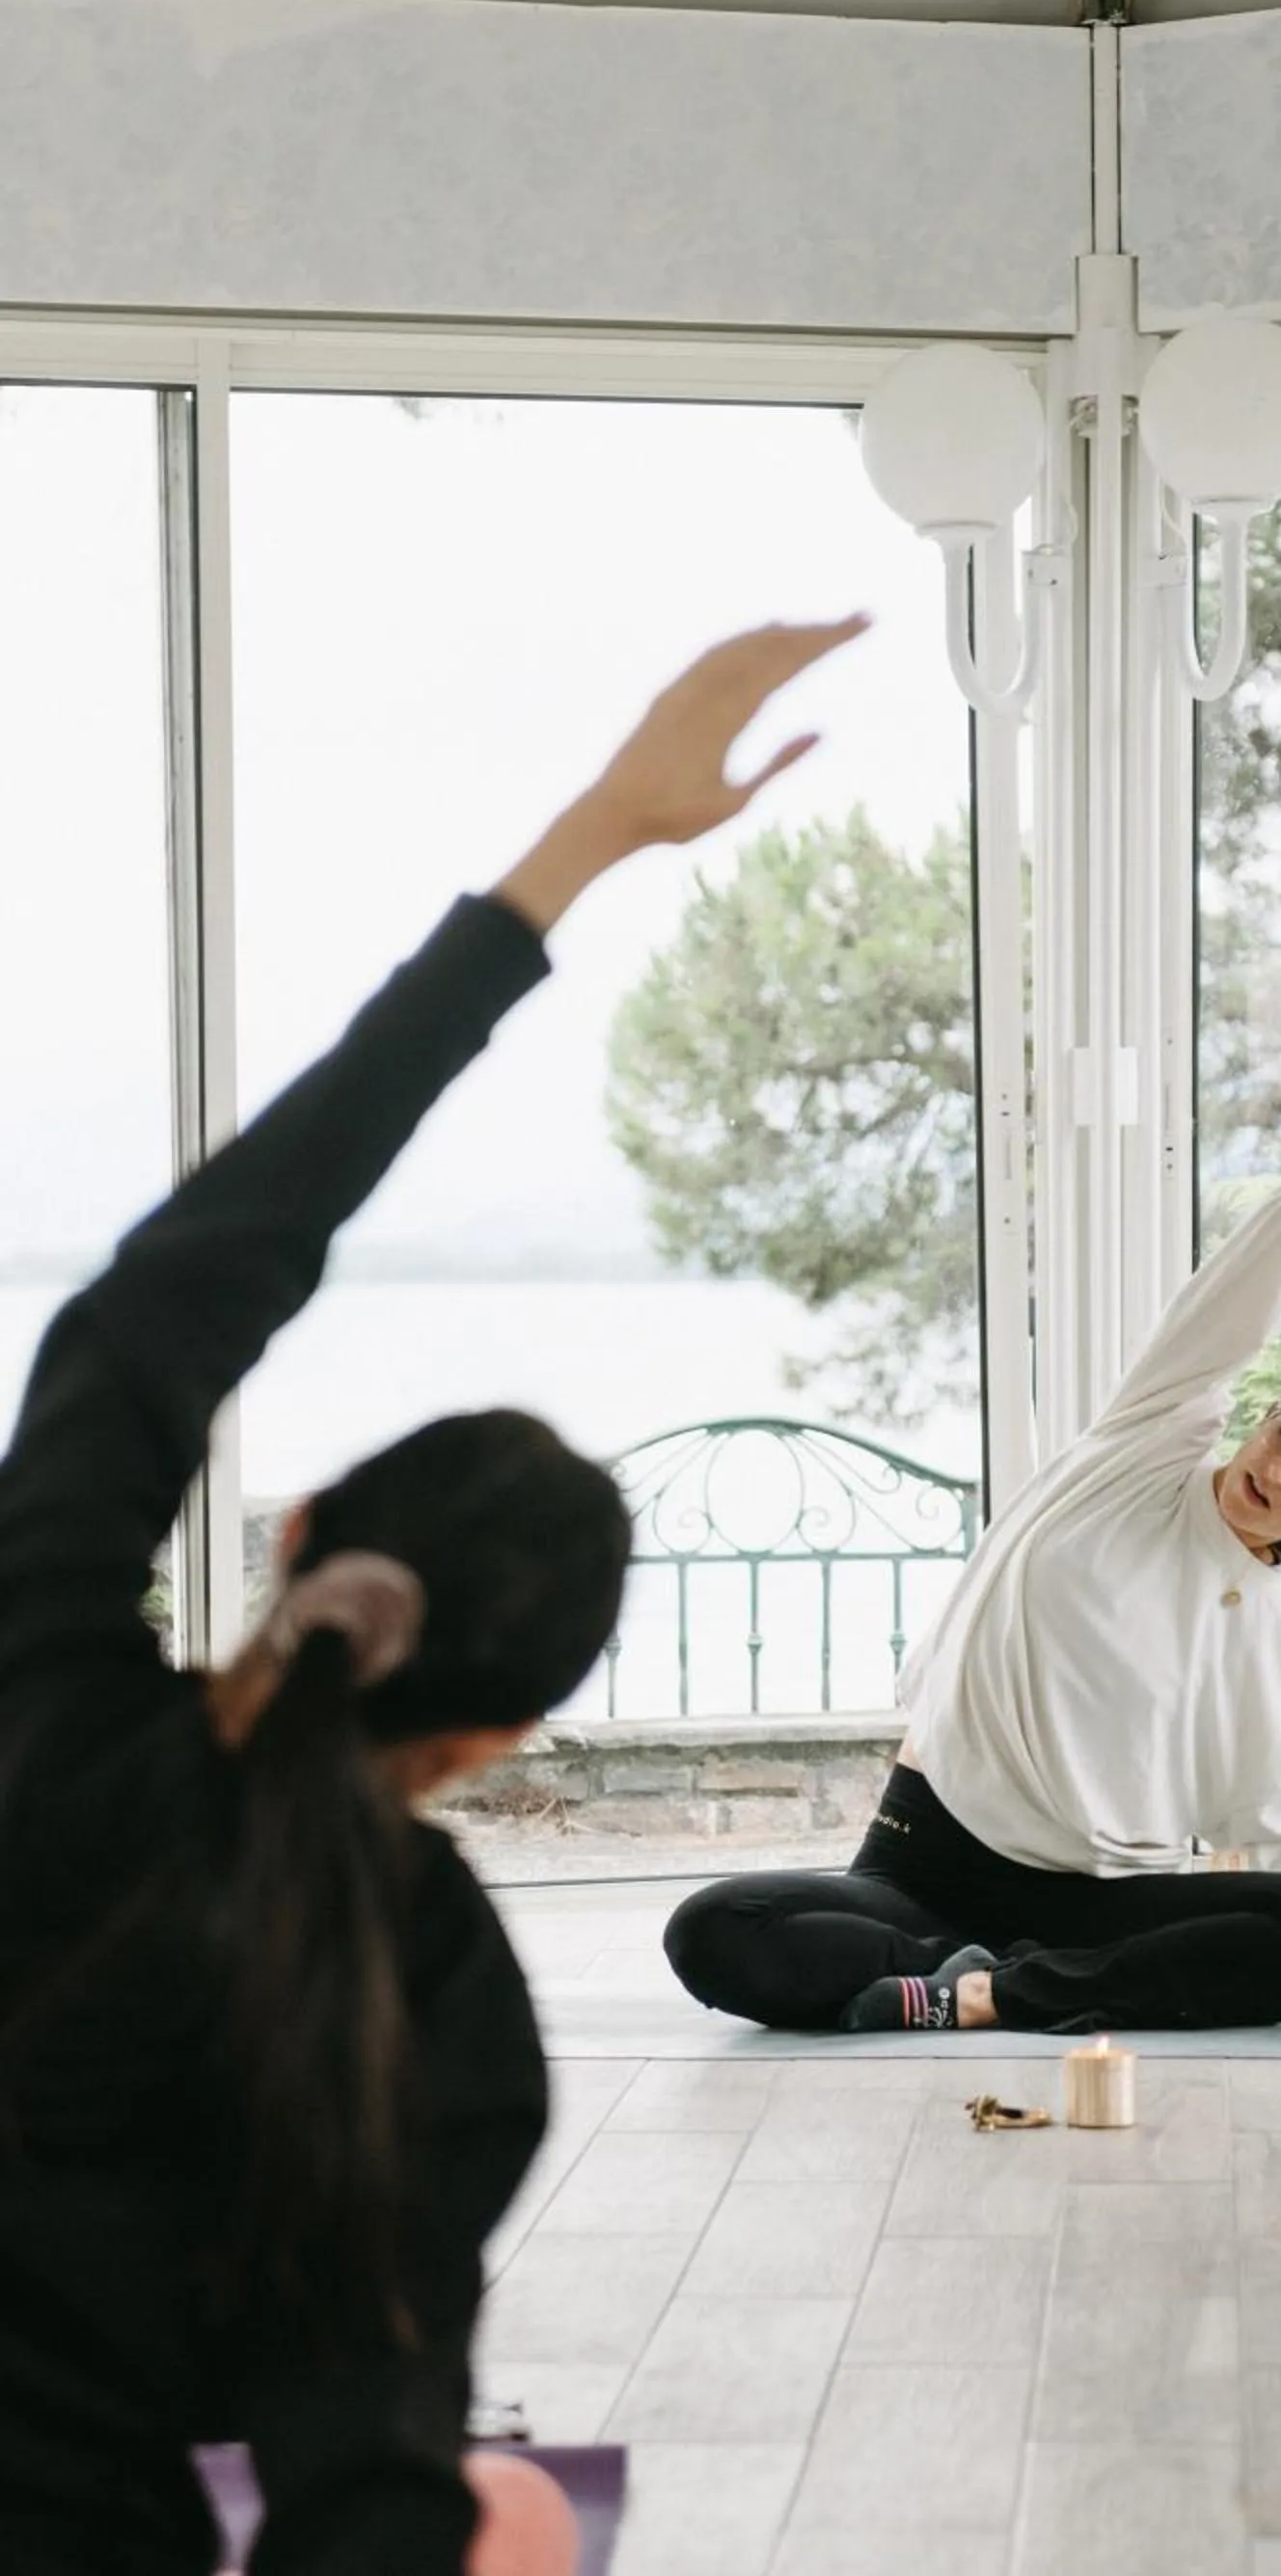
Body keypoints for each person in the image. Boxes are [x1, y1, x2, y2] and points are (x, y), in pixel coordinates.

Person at [0, 614, 866, 2576]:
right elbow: (360, 2481)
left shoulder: (32, 1684)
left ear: (295, 1531)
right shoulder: (426, 1984)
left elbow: (169, 1299)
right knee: (510, 2514)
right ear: (498, 1740)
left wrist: (569, 851)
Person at [666, 1106, 1281, 2036]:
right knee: (713, 1932)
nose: (1276, 1471)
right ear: (1267, 1408)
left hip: (1104, 1908)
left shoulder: (1272, 1634)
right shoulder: (1147, 1442)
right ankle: (967, 1974)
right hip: (923, 1868)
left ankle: (979, 2000)